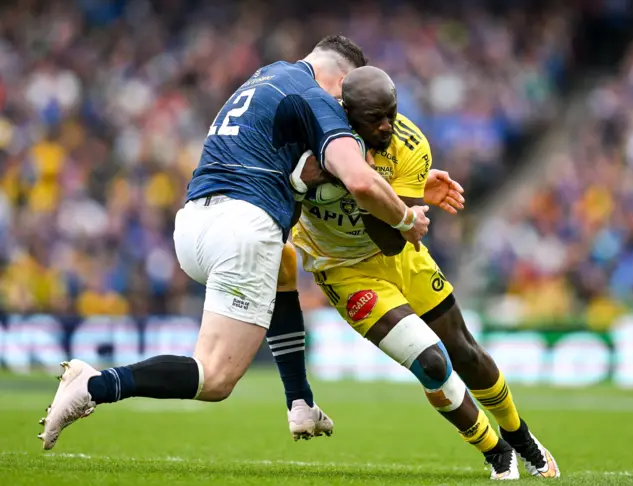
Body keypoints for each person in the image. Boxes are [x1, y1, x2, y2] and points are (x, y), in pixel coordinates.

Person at [38, 36, 430, 451]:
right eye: (350, 97)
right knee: (216, 378)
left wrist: (298, 183)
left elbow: (290, 183)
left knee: (283, 261)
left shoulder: (264, 78)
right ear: (345, 79)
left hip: (193, 224)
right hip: (242, 227)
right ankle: (97, 384)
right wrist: (406, 218)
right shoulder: (317, 97)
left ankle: (300, 401)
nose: (349, 111)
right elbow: (360, 180)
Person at [268, 66, 560, 480]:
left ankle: (521, 437)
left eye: (391, 112)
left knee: (465, 352)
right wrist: (347, 178)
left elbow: (392, 239)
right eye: (375, 118)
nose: (387, 124)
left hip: (400, 255)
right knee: (432, 363)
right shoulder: (309, 137)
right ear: (345, 113)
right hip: (345, 271)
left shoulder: (409, 143)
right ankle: (495, 451)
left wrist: (363, 179)